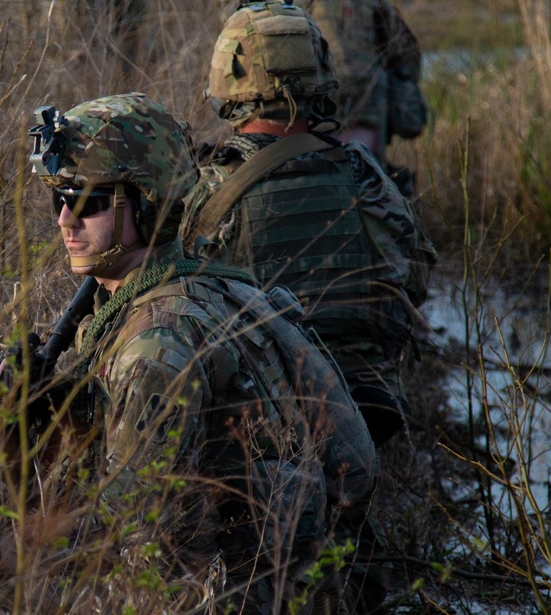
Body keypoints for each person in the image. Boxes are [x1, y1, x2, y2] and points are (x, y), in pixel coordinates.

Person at [27, 92, 376, 612]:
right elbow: (359, 468)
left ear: (145, 204)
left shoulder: (154, 343)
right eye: (57, 198)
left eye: (86, 200)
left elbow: (146, 557)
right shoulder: (223, 289)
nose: (64, 220)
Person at [184, 0, 436, 612]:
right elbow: (412, 286)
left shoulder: (207, 194)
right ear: (319, 75)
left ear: (230, 80)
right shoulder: (366, 176)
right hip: (368, 409)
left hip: (263, 439)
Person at [253, 0, 426, 178]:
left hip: (302, 119)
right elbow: (407, 57)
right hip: (368, 113)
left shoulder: (264, 1)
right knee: (374, 187)